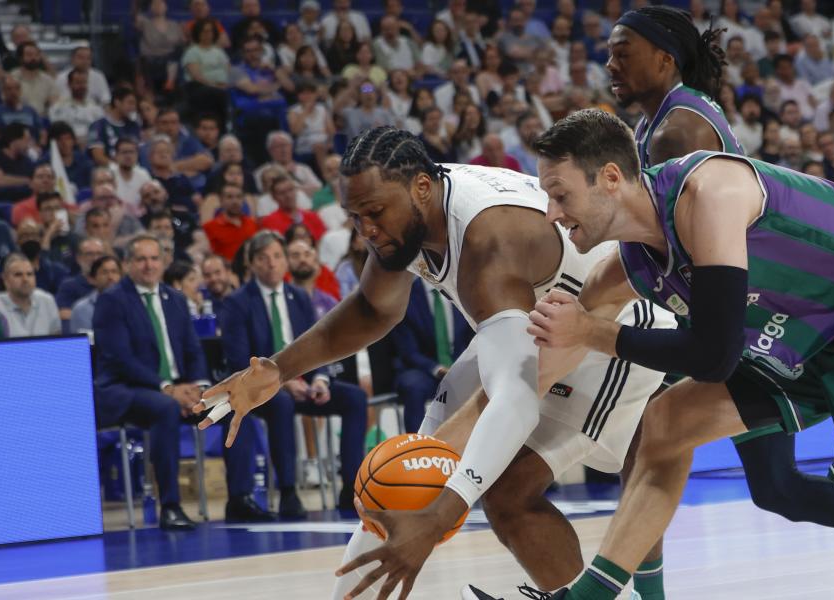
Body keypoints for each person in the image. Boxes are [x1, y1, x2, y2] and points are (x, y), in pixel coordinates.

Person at [455, 109, 834, 600]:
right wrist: (450, 466)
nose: (552, 213)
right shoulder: (623, 268)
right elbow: (544, 366)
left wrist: (593, 333)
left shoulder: (709, 193)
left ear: (609, 178)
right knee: (666, 424)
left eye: (560, 195)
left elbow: (712, 356)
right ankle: (593, 594)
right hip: (805, 342)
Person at [193, 128, 673, 599]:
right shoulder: (403, 208)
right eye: (355, 216)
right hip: (530, 325)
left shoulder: (488, 237)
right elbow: (373, 309)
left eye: (374, 213)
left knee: (507, 493)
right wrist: (279, 370)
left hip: (607, 328)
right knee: (412, 468)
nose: (366, 229)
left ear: (422, 187)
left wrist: (440, 517)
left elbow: (515, 401)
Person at [217, 231, 368, 515]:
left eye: (277, 256)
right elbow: (240, 360)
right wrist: (283, 382)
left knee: (355, 398)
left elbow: (317, 345)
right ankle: (288, 491)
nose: (271, 263)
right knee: (281, 403)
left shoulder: (298, 297)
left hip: (301, 382)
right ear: (252, 263)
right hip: (257, 389)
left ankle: (351, 486)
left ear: (285, 261)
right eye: (263, 258)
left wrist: (320, 379)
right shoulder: (237, 302)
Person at [90, 235, 206, 530]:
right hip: (125, 389)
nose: (149, 265)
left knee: (228, 403)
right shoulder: (112, 300)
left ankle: (242, 498)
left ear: (163, 262)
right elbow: (120, 359)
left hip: (175, 389)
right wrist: (168, 389)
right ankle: (170, 507)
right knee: (166, 408)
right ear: (128, 263)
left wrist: (199, 387)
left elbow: (193, 350)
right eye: (141, 259)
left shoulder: (175, 298)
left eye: (154, 258)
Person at [388, 279, 474, 433]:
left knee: (485, 379)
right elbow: (409, 352)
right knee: (414, 386)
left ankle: (475, 442)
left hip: (458, 366)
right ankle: (418, 445)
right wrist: (439, 369)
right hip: (422, 370)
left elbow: (472, 338)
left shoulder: (461, 290)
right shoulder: (405, 296)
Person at [0, 253, 60, 337]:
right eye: (18, 274)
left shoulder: (47, 301)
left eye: (29, 274)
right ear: (5, 279)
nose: (25, 279)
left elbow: (56, 339)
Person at [70, 254, 121, 335]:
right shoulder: (82, 309)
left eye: (114, 272)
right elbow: (85, 340)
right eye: (104, 272)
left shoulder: (132, 303)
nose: (110, 277)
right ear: (92, 279)